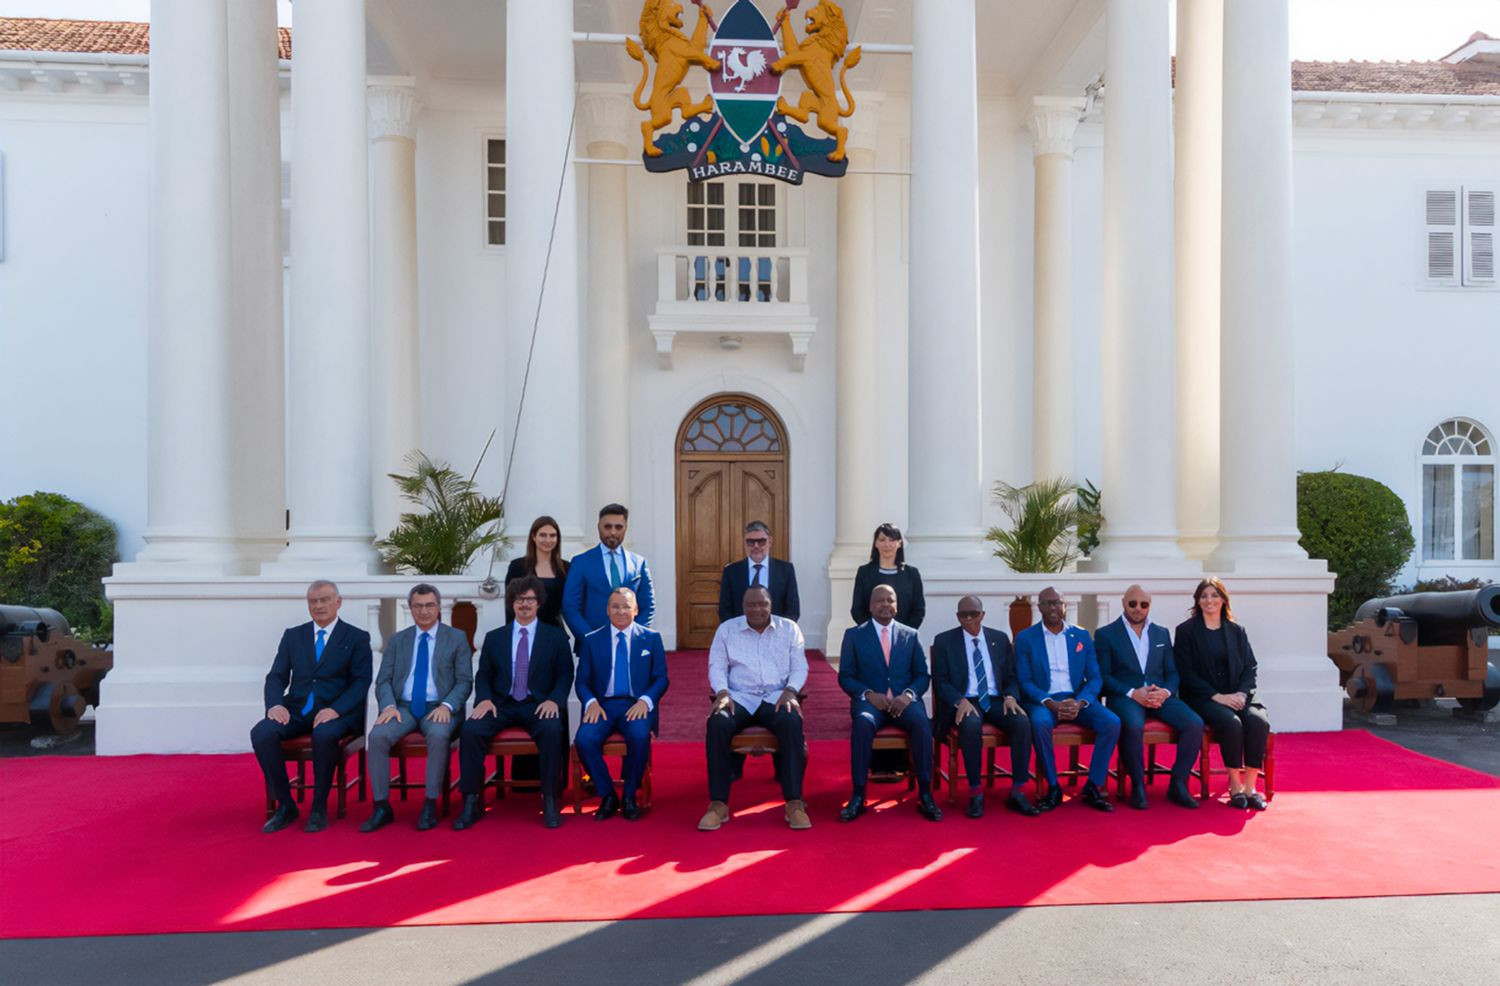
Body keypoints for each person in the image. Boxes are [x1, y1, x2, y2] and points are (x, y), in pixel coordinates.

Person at [454, 575, 574, 830]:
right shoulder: (495, 637)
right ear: (511, 603)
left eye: (530, 599)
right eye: (520, 600)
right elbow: (484, 674)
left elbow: (565, 674)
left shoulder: (555, 638)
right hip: (502, 704)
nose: (525, 605)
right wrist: (484, 699)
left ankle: (550, 798)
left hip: (538, 703)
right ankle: (472, 800)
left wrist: (554, 700)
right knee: (470, 730)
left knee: (553, 730)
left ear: (539, 603)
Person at [252, 580, 373, 833]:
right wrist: (274, 705)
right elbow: (276, 676)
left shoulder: (357, 637)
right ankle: (286, 804)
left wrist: (335, 710)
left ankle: (319, 807)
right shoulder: (293, 636)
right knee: (262, 732)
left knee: (325, 734)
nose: (319, 606)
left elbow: (361, 682)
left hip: (338, 711)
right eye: (313, 601)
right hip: (297, 709)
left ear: (338, 602)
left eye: (325, 600)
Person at [362, 583, 474, 832]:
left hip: (439, 706)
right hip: (403, 707)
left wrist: (448, 705)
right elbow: (383, 680)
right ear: (410, 608)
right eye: (418, 606)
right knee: (377, 736)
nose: (424, 611)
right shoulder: (398, 640)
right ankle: (381, 806)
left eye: (429, 605)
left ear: (438, 607)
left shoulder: (456, 638)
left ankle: (429, 803)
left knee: (438, 734)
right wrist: (388, 706)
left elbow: (465, 680)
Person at [702, 585, 811, 831]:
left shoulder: (789, 629)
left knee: (792, 720)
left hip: (777, 697)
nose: (757, 609)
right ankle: (718, 803)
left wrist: (791, 690)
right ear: (743, 607)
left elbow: (800, 666)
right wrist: (722, 692)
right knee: (717, 722)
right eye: (751, 605)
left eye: (763, 604)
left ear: (771, 605)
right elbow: (716, 665)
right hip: (739, 697)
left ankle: (794, 801)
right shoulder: (727, 630)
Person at [837, 584, 942, 822]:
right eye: (880, 601)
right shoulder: (854, 635)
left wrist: (908, 695)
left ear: (897, 604)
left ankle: (925, 793)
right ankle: (858, 794)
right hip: (871, 704)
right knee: (863, 723)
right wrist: (867, 694)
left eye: (890, 600)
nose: (886, 605)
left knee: (922, 724)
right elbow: (845, 676)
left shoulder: (910, 634)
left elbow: (922, 675)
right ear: (870, 605)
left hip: (903, 703)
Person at [929, 595, 1039, 818]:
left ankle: (1018, 791)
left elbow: (1010, 676)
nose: (968, 618)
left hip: (996, 699)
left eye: (973, 614)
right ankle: (975, 792)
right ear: (957, 616)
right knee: (970, 725)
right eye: (963, 614)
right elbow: (940, 682)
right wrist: (959, 700)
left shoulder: (999, 639)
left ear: (983, 615)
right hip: (966, 700)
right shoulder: (944, 641)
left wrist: (1010, 696)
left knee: (1022, 722)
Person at [1095, 585, 1203, 810]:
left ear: (1149, 605)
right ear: (1124, 603)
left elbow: (1172, 672)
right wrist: (1133, 693)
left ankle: (1178, 783)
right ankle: (1137, 784)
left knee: (1194, 724)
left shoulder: (1161, 632)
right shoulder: (1106, 634)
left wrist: (1164, 692)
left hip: (1158, 694)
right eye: (1132, 603)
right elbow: (1103, 676)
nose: (1138, 608)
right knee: (1133, 726)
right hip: (1125, 696)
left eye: (1143, 604)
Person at [1014, 586, 1120, 813]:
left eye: (1057, 602)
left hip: (1076, 700)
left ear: (1064, 605)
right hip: (1044, 700)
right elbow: (1025, 680)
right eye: (1047, 603)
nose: (1053, 607)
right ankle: (1053, 787)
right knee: (1040, 724)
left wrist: (1080, 702)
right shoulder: (1026, 638)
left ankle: (1093, 785)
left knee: (1111, 722)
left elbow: (1094, 677)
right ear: (1039, 607)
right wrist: (1049, 702)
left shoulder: (1081, 635)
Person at [1174, 577, 1271, 811]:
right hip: (1204, 697)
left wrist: (1240, 693)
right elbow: (1184, 672)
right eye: (1204, 596)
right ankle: (1235, 786)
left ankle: (1251, 788)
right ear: (1197, 601)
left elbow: (1250, 666)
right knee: (1232, 723)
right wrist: (1217, 696)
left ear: (1223, 600)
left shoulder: (1237, 630)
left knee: (1258, 722)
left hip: (1238, 694)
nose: (1209, 600)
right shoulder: (1186, 631)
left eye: (1214, 595)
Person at [574, 587, 669, 820]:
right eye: (615, 606)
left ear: (635, 610)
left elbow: (661, 678)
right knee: (584, 740)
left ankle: (628, 796)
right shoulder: (592, 640)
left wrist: (645, 701)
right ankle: (607, 794)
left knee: (638, 737)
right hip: (603, 706)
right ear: (607, 610)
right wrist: (591, 702)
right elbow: (582, 681)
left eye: (626, 606)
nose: (620, 611)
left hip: (635, 705)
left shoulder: (651, 638)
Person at [563, 503, 656, 650]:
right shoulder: (581, 562)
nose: (613, 532)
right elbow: (570, 607)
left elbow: (648, 605)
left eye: (618, 527)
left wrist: (635, 635)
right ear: (598, 527)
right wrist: (590, 638)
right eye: (607, 527)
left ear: (626, 528)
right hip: (592, 646)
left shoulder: (638, 563)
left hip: (630, 645)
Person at [717, 521, 801, 623]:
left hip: (776, 633)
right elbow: (724, 609)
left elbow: (793, 609)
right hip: (740, 633)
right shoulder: (731, 572)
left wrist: (780, 631)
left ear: (770, 542)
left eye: (761, 541)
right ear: (744, 543)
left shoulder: (785, 570)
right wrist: (737, 631)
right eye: (751, 542)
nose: (756, 546)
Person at [504, 515, 570, 635]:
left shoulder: (566, 568)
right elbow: (510, 604)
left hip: (554, 632)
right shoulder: (517, 566)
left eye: (553, 535)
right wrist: (510, 634)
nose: (548, 540)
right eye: (543, 535)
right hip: (525, 631)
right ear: (533, 537)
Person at [850, 523, 925, 629]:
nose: (887, 544)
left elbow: (918, 610)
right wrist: (875, 631)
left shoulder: (912, 574)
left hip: (903, 638)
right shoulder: (864, 573)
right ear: (876, 543)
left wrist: (903, 633)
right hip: (871, 636)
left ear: (899, 543)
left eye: (892, 540)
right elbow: (857, 609)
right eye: (882, 540)